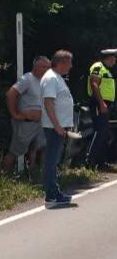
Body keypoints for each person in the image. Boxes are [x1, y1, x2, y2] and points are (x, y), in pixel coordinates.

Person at [2, 56, 50, 175]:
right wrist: (16, 114)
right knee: (15, 151)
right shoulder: (27, 79)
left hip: (40, 122)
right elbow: (11, 95)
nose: (47, 70)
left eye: (49, 67)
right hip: (26, 123)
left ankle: (34, 175)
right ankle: (5, 176)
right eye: (44, 67)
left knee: (39, 148)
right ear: (36, 67)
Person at [40, 50, 75, 208]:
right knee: (51, 161)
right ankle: (51, 195)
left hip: (58, 127)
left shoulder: (57, 78)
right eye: (69, 63)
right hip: (54, 127)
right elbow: (48, 103)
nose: (71, 66)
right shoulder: (51, 78)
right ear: (61, 62)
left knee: (54, 161)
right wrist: (57, 125)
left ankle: (55, 191)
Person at [85, 48, 117, 168]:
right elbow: (94, 84)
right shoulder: (98, 67)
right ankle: (90, 161)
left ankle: (100, 162)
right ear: (108, 58)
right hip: (99, 102)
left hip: (105, 103)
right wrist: (101, 103)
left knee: (104, 132)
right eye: (113, 57)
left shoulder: (106, 70)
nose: (115, 60)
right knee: (100, 131)